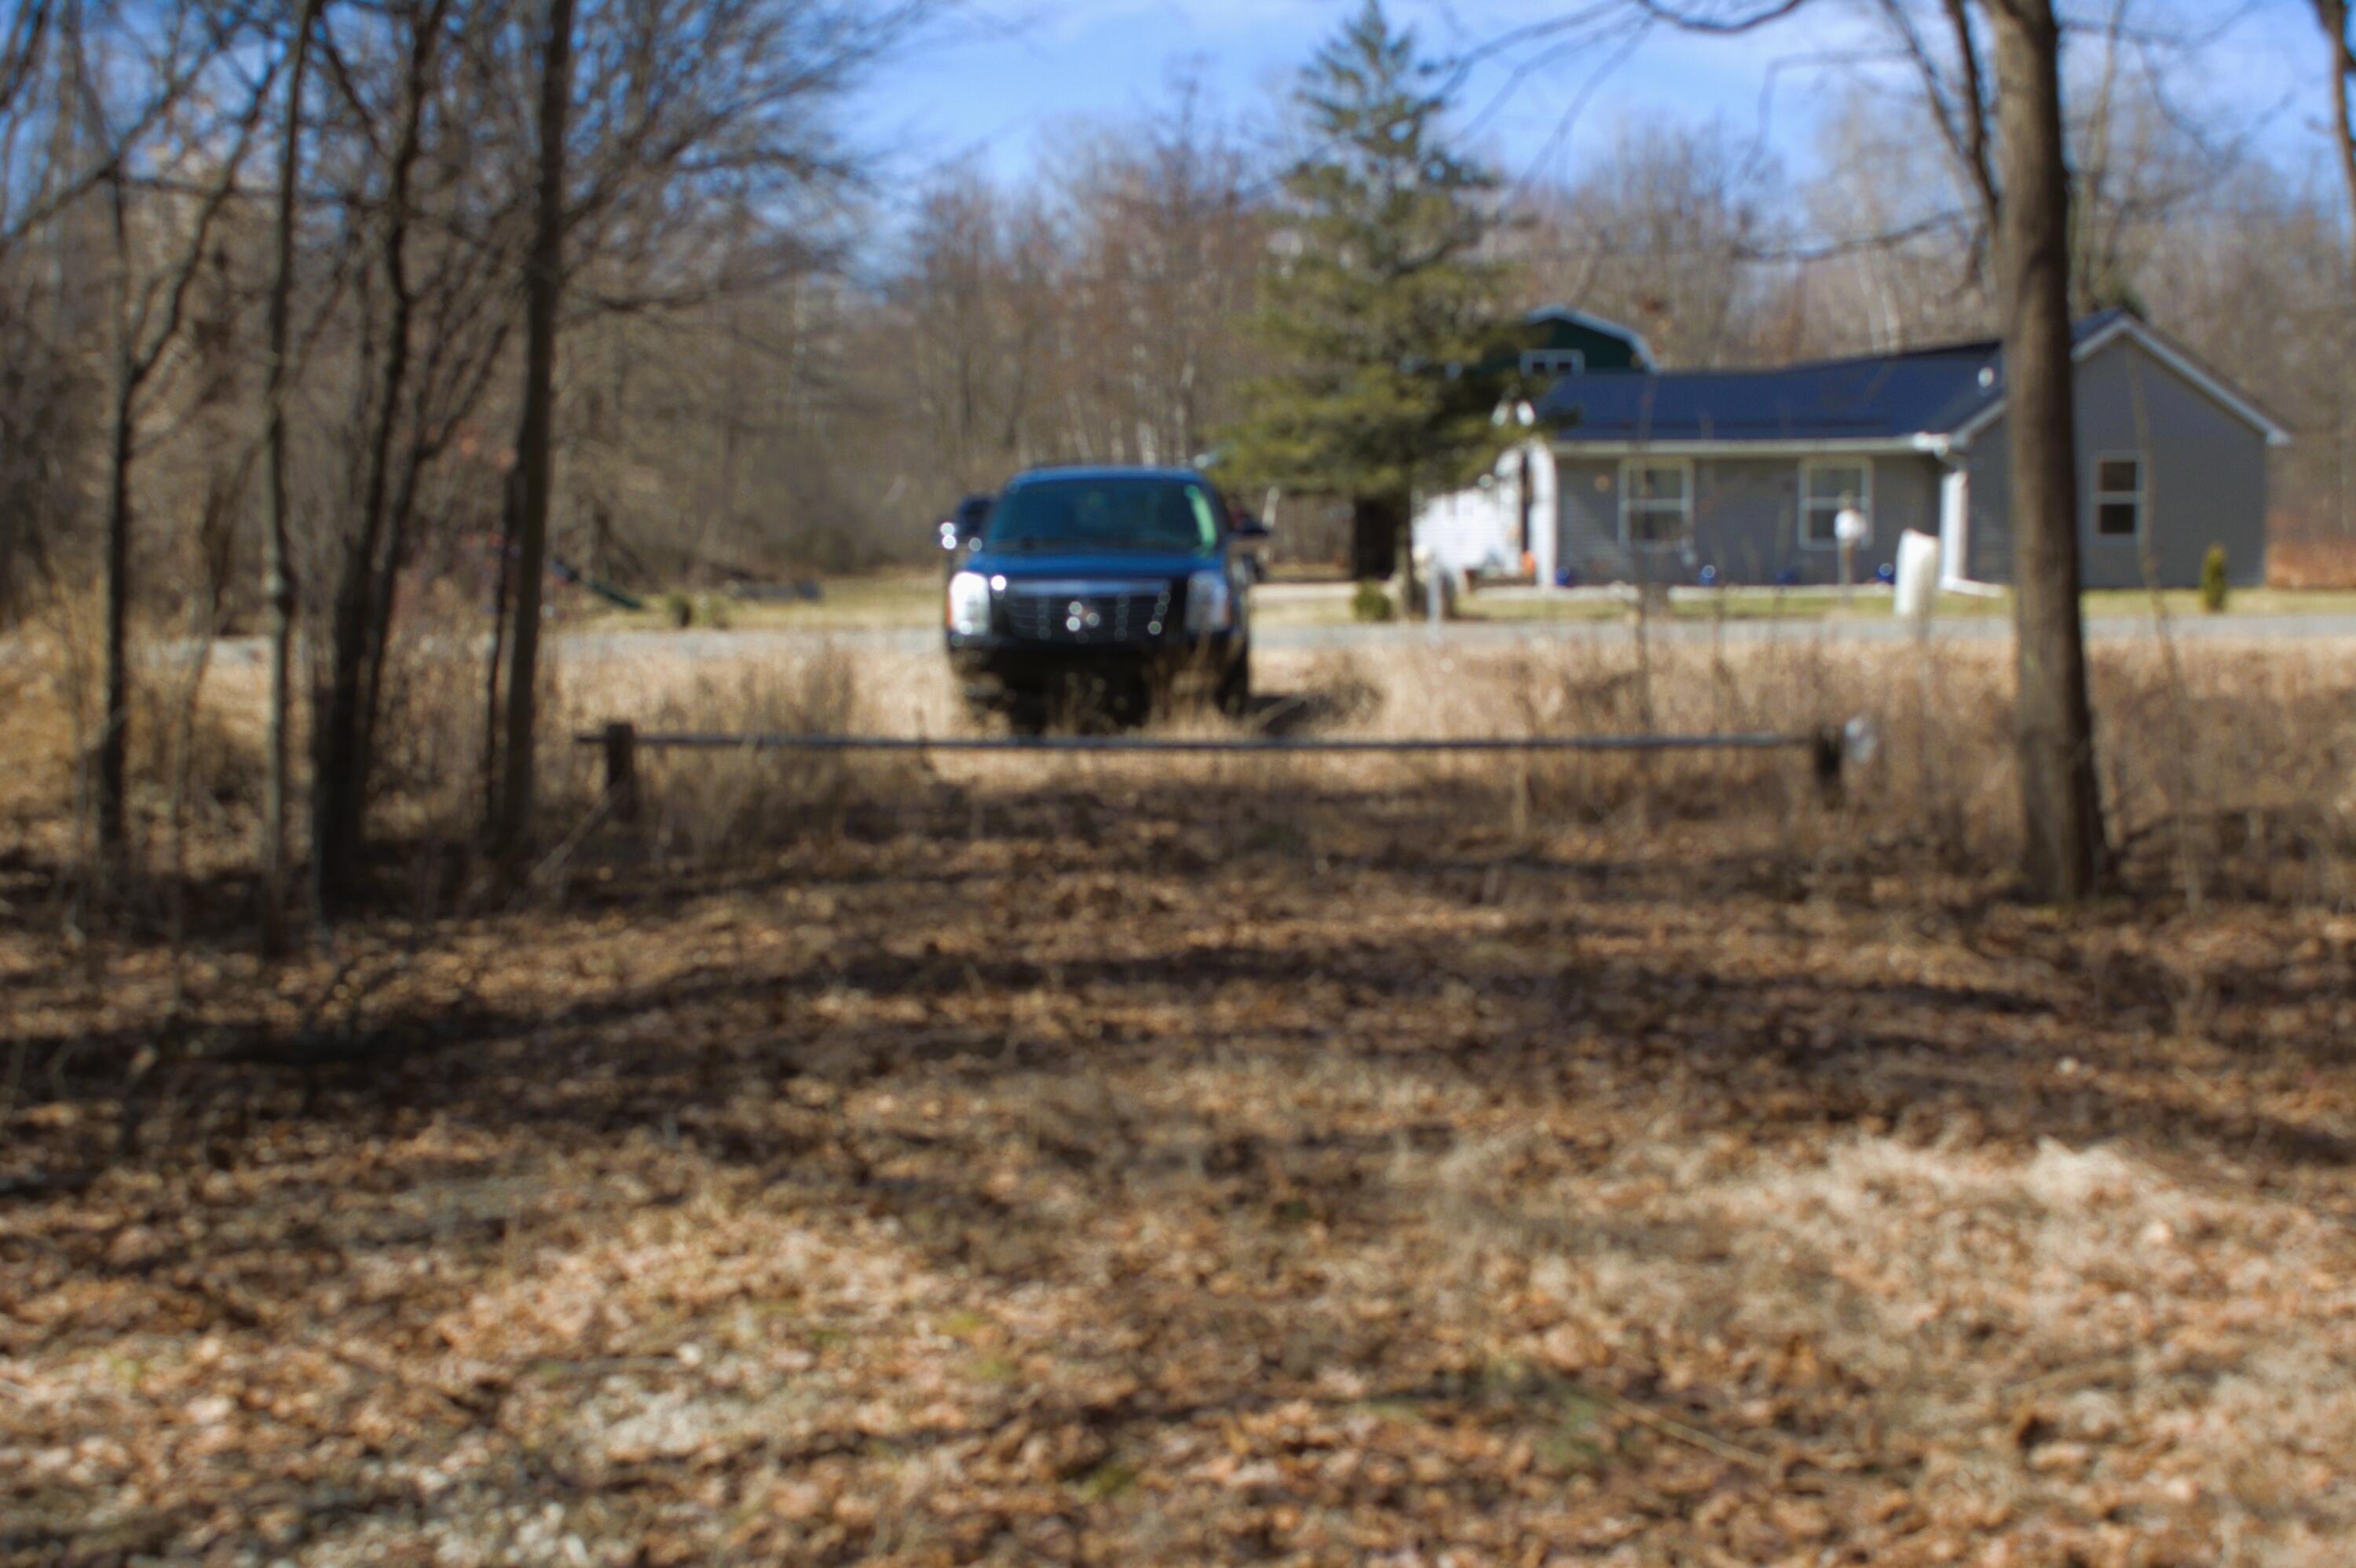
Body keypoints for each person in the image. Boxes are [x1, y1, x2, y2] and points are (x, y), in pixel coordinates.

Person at [1833, 495, 1869, 602]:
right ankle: (1845, 592)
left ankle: (1849, 592)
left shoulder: (1856, 516)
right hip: (1843, 542)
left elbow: (1861, 530)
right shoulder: (1842, 516)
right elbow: (1838, 530)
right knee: (1844, 567)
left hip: (1852, 542)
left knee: (1849, 568)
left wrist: (1854, 538)